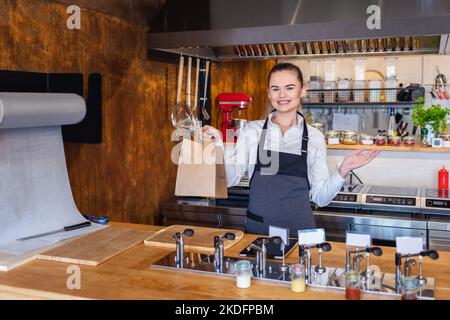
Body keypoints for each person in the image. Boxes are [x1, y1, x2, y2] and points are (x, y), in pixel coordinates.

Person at [203, 63, 380, 236]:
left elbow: (320, 197)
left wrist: (343, 170)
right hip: (259, 234)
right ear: (269, 93)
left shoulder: (314, 137)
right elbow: (230, 179)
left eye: (289, 88)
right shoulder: (253, 131)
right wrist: (219, 144)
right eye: (275, 88)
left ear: (302, 90)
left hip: (300, 235)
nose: (282, 95)